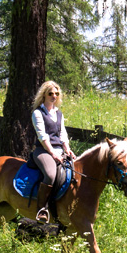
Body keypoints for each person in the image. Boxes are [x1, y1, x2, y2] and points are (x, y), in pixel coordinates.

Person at [30, 81, 75, 222]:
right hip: (43, 151)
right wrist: (53, 153)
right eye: (51, 93)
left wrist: (68, 149)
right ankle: (42, 209)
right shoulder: (38, 113)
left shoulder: (59, 113)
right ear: (44, 95)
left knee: (76, 170)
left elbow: (63, 135)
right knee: (50, 174)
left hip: (59, 150)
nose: (54, 96)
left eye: (56, 94)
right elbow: (42, 136)